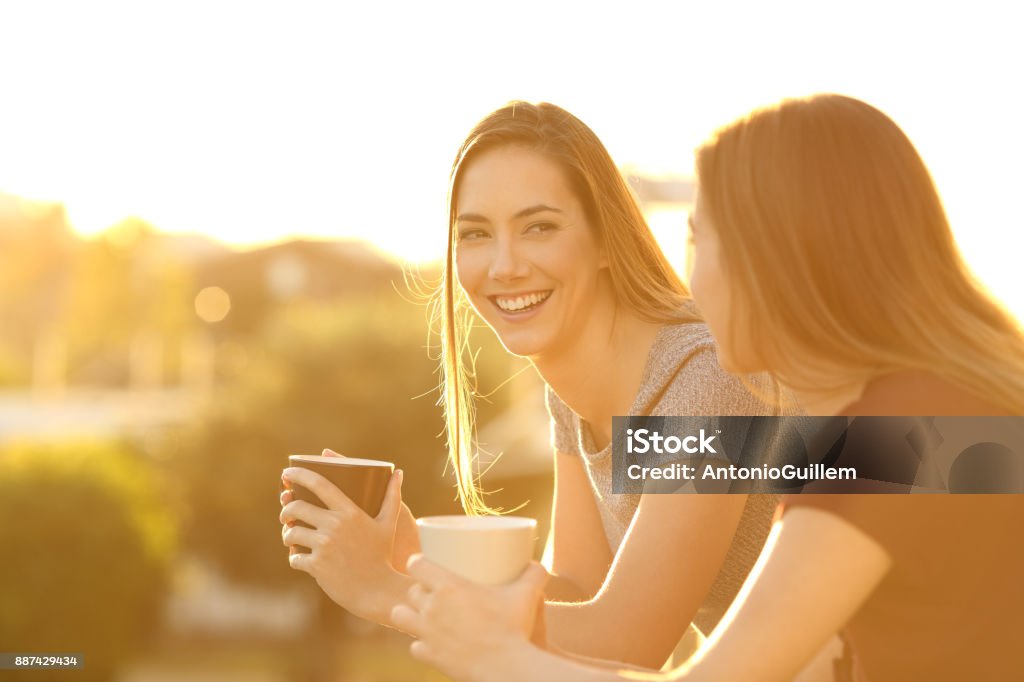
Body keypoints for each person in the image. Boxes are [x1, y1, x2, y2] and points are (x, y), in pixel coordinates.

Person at [391, 94, 1024, 681]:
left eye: (700, 237)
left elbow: (670, 656)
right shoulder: (927, 421)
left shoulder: (891, 440)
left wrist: (477, 639)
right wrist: (416, 561)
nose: (687, 279)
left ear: (782, 257)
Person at [278, 101, 788, 669]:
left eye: (538, 227)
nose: (504, 265)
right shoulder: (571, 394)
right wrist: (409, 552)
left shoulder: (702, 381)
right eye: (475, 234)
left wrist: (384, 591)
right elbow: (577, 590)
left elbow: (631, 640)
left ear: (604, 238)